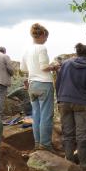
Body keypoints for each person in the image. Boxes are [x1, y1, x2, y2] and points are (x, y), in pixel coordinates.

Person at [55, 43, 86, 170]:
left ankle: (69, 163)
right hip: (81, 103)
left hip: (63, 101)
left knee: (67, 133)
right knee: (82, 134)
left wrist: (59, 98)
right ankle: (84, 163)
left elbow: (58, 82)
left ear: (77, 54)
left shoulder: (66, 64)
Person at [21, 23, 59, 151]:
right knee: (46, 115)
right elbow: (44, 67)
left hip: (32, 85)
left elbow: (23, 68)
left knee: (36, 115)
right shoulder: (42, 48)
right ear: (42, 35)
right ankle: (46, 145)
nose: (46, 39)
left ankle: (37, 143)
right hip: (44, 84)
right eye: (46, 37)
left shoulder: (27, 50)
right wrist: (54, 66)